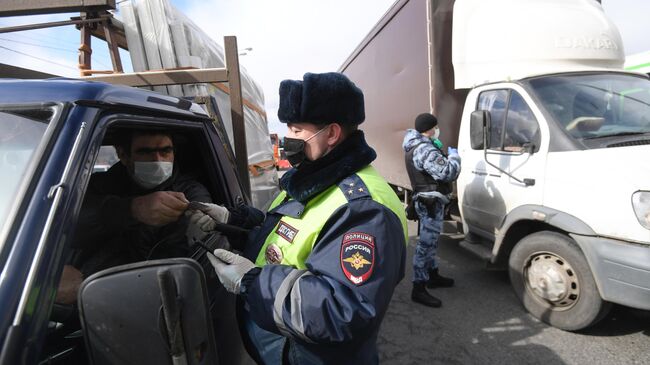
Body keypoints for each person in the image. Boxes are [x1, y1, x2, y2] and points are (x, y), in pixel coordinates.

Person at [204, 72, 408, 364]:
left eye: (297, 130)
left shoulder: (363, 208)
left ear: (332, 133)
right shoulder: (311, 178)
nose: (288, 139)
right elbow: (284, 233)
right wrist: (233, 220)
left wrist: (253, 282)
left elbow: (344, 309)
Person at [71, 129, 218, 278]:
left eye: (165, 151)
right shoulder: (100, 185)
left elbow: (179, 262)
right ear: (123, 155)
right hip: (85, 283)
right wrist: (131, 209)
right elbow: (67, 224)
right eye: (145, 152)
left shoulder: (190, 194)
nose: (158, 159)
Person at [402, 113, 461, 308]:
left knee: (431, 242)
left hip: (429, 201)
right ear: (431, 128)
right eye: (436, 127)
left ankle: (432, 276)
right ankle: (418, 288)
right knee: (425, 245)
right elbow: (447, 172)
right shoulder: (425, 150)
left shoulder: (417, 145)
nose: (438, 130)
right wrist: (454, 157)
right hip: (430, 202)